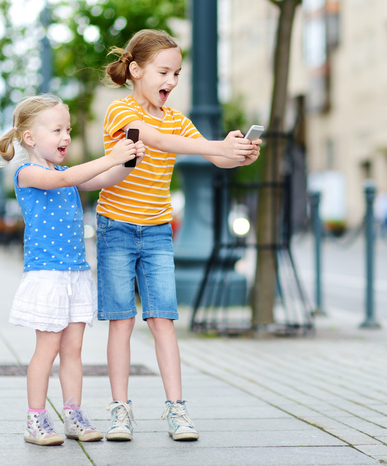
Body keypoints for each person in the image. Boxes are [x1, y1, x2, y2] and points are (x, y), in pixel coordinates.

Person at [97, 29, 261, 442]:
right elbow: (153, 139)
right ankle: (120, 411)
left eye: (177, 73)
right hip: (115, 228)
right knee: (120, 321)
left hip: (156, 232)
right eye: (163, 71)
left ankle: (177, 410)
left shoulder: (178, 120)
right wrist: (212, 146)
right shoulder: (121, 112)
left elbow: (210, 157)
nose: (171, 81)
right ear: (135, 70)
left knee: (163, 320)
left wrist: (234, 153)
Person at [0, 94, 145, 446]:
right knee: (47, 349)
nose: (66, 136)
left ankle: (73, 413)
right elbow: (67, 179)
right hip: (48, 276)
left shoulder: (65, 174)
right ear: (29, 138)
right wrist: (110, 156)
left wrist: (127, 160)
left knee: (73, 350)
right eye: (57, 129)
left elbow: (105, 179)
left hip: (75, 274)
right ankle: (36, 419)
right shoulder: (29, 173)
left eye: (68, 129)